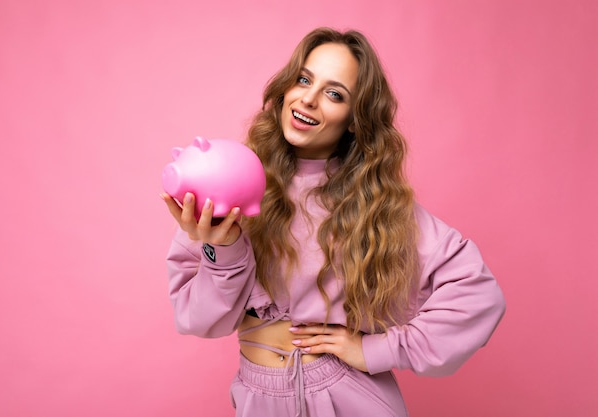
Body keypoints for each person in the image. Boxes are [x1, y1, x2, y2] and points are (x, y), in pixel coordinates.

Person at [161, 27, 505, 417]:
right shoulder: (231, 179)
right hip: (258, 399)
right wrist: (221, 250)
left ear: (355, 119)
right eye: (304, 79)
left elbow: (478, 295)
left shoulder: (376, 205)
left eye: (334, 93)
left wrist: (374, 349)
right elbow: (201, 320)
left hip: (350, 397)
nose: (308, 98)